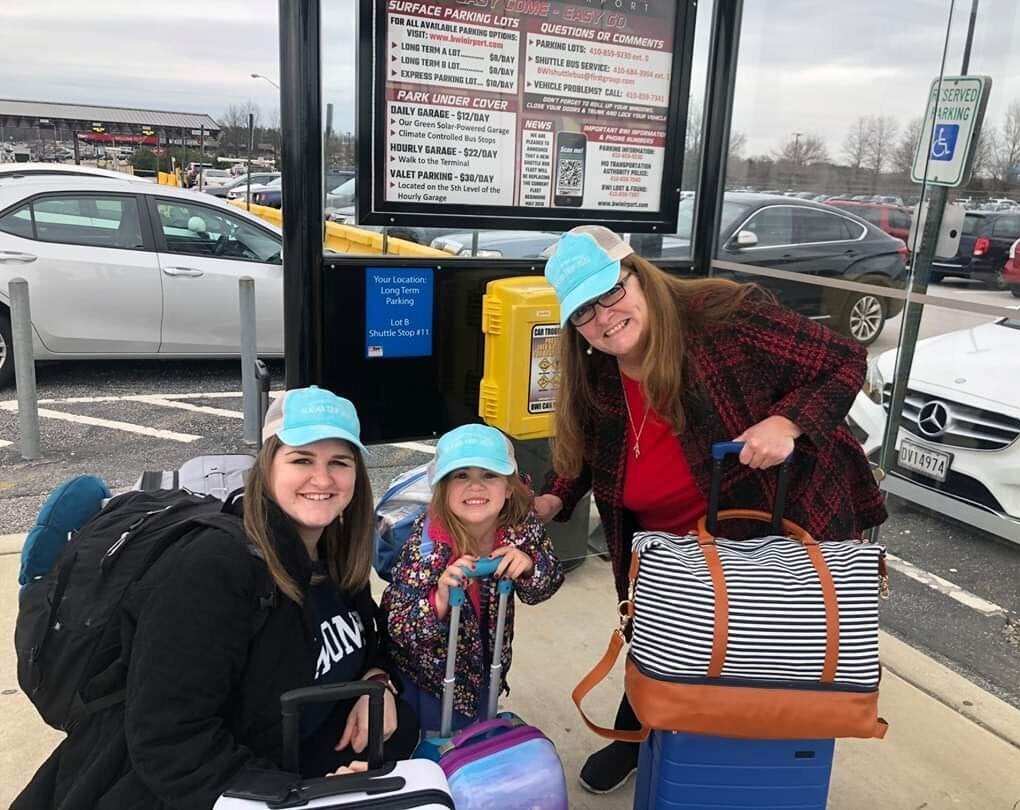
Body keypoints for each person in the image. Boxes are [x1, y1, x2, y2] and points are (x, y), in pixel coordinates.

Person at [534, 225, 888, 794]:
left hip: (772, 515)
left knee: (760, 641)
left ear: (638, 274)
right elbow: (590, 452)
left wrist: (787, 421)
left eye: (611, 293)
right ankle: (640, 729)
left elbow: (845, 359)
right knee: (669, 629)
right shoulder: (597, 370)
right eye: (584, 313)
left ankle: (752, 759)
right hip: (668, 535)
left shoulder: (726, 318)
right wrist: (554, 494)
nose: (604, 319)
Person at [14, 386, 419, 810]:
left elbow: (369, 638)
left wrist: (377, 682)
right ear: (267, 468)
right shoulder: (214, 570)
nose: (322, 479)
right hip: (207, 789)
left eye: (339, 462)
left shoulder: (332, 555)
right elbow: (169, 740)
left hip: (294, 762)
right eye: (302, 459)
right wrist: (296, 797)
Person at [381, 423, 565, 732]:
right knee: (439, 741)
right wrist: (439, 598)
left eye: (489, 475)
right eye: (461, 475)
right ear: (442, 488)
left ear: (509, 488)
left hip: (489, 669)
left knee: (477, 737)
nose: (476, 487)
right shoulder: (427, 548)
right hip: (431, 679)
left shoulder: (521, 529)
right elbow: (398, 625)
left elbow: (547, 584)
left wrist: (530, 565)